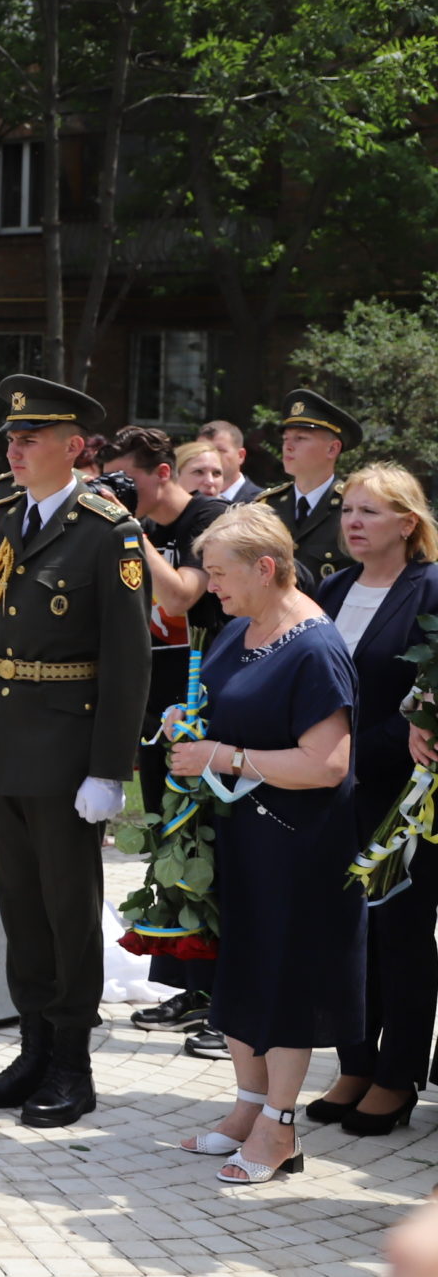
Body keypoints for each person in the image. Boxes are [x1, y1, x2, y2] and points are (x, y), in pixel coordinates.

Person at [0, 375, 150, 1129]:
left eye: (31, 438)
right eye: (11, 437)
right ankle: (32, 1047)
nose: (15, 447)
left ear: (74, 448)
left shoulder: (110, 530)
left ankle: (72, 1062)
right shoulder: (0, 515)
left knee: (69, 908)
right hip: (1, 734)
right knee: (21, 907)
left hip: (69, 746)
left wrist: (109, 768)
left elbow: (129, 661)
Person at [167, 503, 363, 1185]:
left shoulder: (314, 646)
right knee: (244, 972)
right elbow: (224, 704)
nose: (208, 584)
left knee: (284, 982)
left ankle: (281, 1127)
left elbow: (327, 763)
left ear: (267, 567)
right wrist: (186, 723)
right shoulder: (240, 627)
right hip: (246, 837)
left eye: (219, 572)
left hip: (299, 846)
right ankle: (247, 1108)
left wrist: (221, 754)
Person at [308, 465, 438, 1137]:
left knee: (400, 934)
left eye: (370, 512)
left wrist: (356, 753)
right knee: (343, 933)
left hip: (400, 791)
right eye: (348, 509)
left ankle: (397, 1074)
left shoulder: (432, 588)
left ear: (407, 523)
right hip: (332, 790)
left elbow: (426, 692)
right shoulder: (334, 585)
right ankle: (355, 1062)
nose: (353, 521)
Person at [99, 425, 234, 1049]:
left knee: (212, 850)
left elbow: (181, 595)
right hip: (161, 705)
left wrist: (128, 528)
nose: (122, 493)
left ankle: (227, 1004)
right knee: (171, 850)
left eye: (129, 479)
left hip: (215, 703)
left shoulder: (212, 519)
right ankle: (189, 988)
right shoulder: (145, 527)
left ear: (161, 473)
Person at [263, 390, 361, 587]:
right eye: (285, 439)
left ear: (332, 449)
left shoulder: (353, 506)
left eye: (300, 438)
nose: (288, 446)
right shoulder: (266, 507)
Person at [200, 420, 267, 504]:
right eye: (203, 450)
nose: (209, 457)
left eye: (219, 450)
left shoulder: (262, 503)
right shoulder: (188, 501)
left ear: (240, 456)